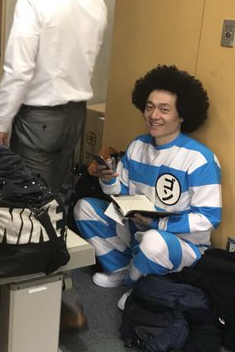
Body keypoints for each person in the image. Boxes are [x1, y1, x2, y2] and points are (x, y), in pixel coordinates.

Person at [74, 65, 222, 307]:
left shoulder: (200, 159)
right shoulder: (138, 146)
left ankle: (137, 290)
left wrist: (158, 224)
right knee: (84, 208)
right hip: (137, 227)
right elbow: (121, 194)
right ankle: (122, 270)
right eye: (150, 107)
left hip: (180, 243)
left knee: (153, 241)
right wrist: (108, 179)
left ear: (182, 115)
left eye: (164, 109)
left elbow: (209, 219)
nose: (154, 115)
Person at [0, 0, 107, 201]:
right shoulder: (96, 3)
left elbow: (18, 70)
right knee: (58, 193)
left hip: (39, 119)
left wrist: (1, 124)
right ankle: (57, 229)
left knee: (29, 197)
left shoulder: (33, 0)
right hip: (76, 116)